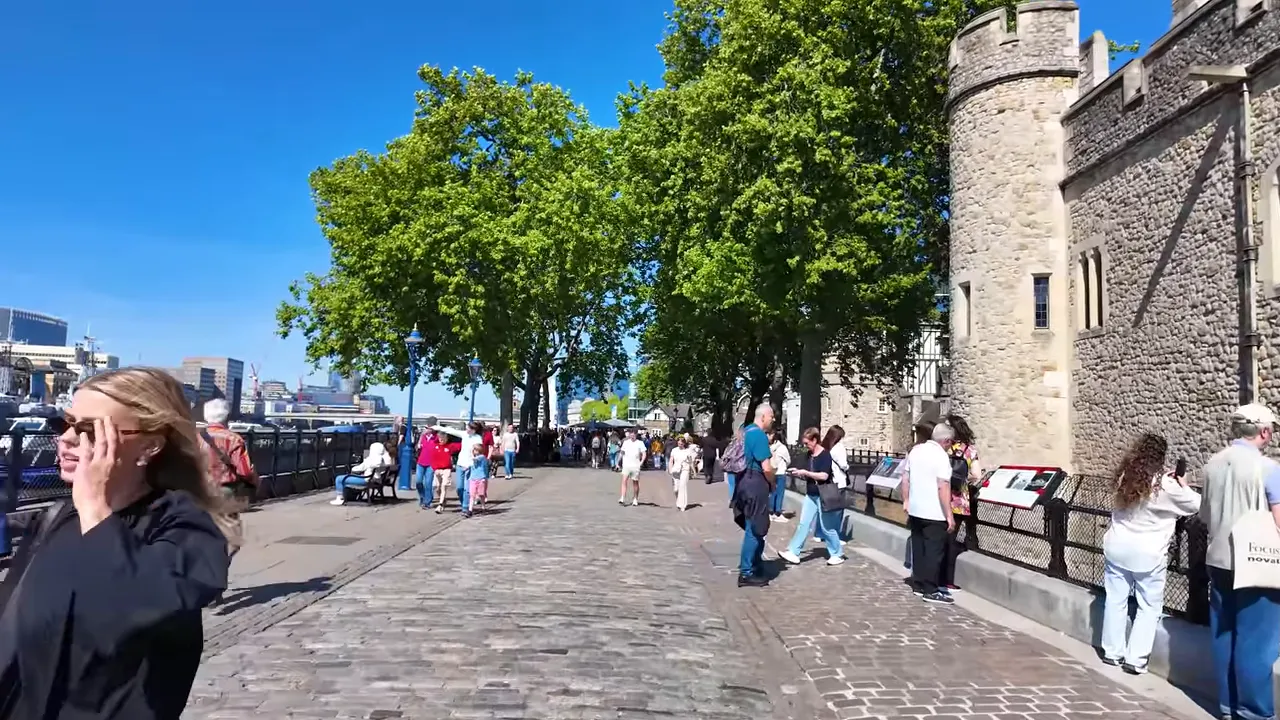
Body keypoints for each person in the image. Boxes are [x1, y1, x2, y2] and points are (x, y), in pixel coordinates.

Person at [0, 367, 230, 719]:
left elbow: (140, 604)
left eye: (91, 430)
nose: (67, 439)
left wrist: (95, 507)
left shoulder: (184, 528)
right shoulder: (57, 519)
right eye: (66, 424)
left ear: (151, 444)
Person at [1200, 404, 1280, 720]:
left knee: (1224, 633)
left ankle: (1228, 705)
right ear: (1263, 432)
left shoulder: (1212, 465)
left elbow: (1205, 514)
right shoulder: (1269, 469)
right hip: (1257, 563)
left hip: (1218, 558)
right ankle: (1254, 711)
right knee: (1258, 640)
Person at [1100, 433, 1200, 675]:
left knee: (1115, 600)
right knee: (1148, 607)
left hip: (1117, 547)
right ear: (1161, 457)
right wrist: (1182, 484)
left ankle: (1112, 652)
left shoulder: (1126, 476)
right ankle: (1136, 659)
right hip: (1147, 553)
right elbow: (1196, 504)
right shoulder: (1166, 485)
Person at [901, 421, 956, 605]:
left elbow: (905, 477)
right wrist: (949, 514)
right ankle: (931, 589)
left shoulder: (916, 450)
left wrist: (906, 500)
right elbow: (943, 485)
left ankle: (918, 583)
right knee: (934, 550)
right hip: (934, 511)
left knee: (919, 548)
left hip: (916, 509)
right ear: (946, 441)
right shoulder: (941, 456)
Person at [198, 397, 257, 556]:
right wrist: (254, 483)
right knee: (232, 539)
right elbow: (245, 471)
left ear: (206, 417)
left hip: (196, 491)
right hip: (226, 492)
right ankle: (217, 569)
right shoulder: (233, 439)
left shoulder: (192, 438)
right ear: (226, 416)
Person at [778, 427, 845, 567]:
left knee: (827, 527)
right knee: (803, 524)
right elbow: (808, 472)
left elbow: (824, 475)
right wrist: (798, 472)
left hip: (823, 494)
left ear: (815, 440)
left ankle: (837, 553)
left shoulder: (825, 455)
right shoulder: (809, 455)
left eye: (807, 443)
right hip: (811, 494)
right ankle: (794, 552)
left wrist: (806, 473)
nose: (805, 446)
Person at [733, 405, 775, 587]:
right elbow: (766, 467)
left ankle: (754, 565)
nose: (773, 419)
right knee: (755, 528)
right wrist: (773, 483)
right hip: (755, 482)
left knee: (753, 525)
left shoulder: (745, 431)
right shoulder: (758, 435)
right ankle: (747, 572)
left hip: (744, 482)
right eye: (772, 416)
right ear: (764, 416)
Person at [940, 414, 981, 593]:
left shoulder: (944, 448)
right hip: (959, 500)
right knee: (951, 541)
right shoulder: (969, 450)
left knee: (940, 539)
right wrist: (963, 479)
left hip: (941, 498)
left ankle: (937, 576)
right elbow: (977, 475)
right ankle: (947, 579)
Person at [330, 441, 392, 506]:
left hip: (366, 480)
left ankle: (340, 498)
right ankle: (352, 495)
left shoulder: (371, 460)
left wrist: (353, 469)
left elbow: (358, 468)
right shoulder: (383, 460)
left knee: (339, 479)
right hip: (376, 480)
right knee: (351, 477)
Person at [456, 422, 483, 513]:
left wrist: (470, 464)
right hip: (460, 464)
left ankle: (465, 507)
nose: (466, 429)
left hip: (470, 466)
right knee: (459, 488)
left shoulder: (478, 438)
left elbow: (477, 452)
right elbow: (451, 431)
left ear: (473, 430)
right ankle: (463, 502)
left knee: (467, 489)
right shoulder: (464, 434)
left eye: (468, 428)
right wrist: (436, 427)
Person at [618, 428, 647, 506]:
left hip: (635, 465)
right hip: (626, 464)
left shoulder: (640, 443)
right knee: (624, 481)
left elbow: (644, 453)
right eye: (631, 434)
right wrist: (618, 462)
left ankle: (635, 498)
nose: (632, 435)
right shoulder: (626, 442)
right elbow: (622, 452)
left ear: (636, 434)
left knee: (635, 483)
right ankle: (622, 497)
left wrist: (641, 462)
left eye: (633, 434)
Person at [768, 428, 791, 523]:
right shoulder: (782, 448)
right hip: (781, 472)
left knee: (772, 492)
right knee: (780, 493)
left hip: (772, 472)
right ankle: (777, 513)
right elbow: (788, 460)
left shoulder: (770, 447)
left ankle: (770, 512)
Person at [669, 436, 695, 512]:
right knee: (676, 489)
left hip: (685, 470)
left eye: (681, 443)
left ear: (684, 443)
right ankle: (678, 500)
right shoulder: (674, 450)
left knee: (682, 486)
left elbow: (690, 462)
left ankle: (683, 505)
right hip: (676, 470)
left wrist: (693, 471)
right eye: (679, 443)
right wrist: (670, 469)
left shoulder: (687, 451)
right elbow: (671, 460)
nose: (680, 444)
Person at [466, 445, 490, 517]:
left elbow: (474, 459)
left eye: (476, 450)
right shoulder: (474, 459)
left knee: (481, 494)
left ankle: (483, 507)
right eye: (474, 450)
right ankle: (470, 510)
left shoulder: (482, 457)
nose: (474, 451)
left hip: (481, 478)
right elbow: (470, 465)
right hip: (473, 478)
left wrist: (470, 453)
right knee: (472, 495)